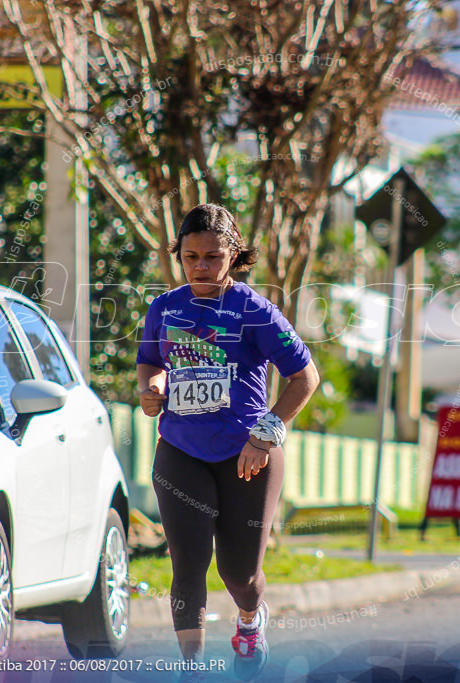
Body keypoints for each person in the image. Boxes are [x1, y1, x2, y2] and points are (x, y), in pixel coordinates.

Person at [136, 203, 319, 681]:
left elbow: (304, 378)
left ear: (233, 255)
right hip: (180, 450)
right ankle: (192, 669)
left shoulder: (255, 310)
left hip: (247, 455)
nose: (201, 266)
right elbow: (151, 361)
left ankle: (249, 619)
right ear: (179, 255)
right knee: (188, 564)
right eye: (191, 256)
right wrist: (153, 388)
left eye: (213, 257)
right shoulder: (164, 307)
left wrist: (266, 433)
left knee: (238, 573)